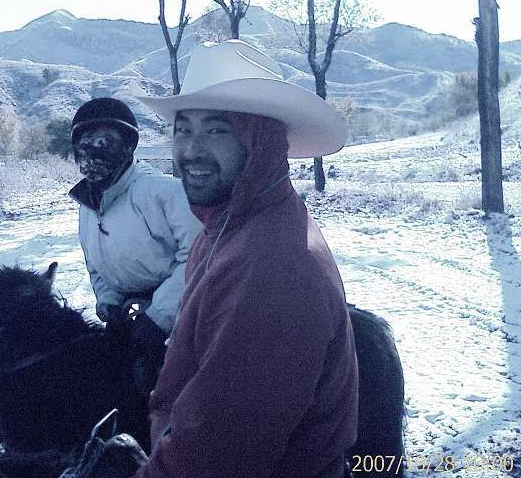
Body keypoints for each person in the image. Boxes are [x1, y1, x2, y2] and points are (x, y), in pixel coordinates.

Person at [123, 40, 360, 477]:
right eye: (183, 129)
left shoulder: (272, 268)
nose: (191, 150)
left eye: (216, 129)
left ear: (261, 142)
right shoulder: (228, 227)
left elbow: (215, 456)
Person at [69, 97, 202, 396]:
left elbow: (198, 255)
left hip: (177, 322)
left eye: (105, 140)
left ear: (128, 144)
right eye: (86, 140)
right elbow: (95, 261)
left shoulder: (163, 192)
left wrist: (159, 316)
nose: (93, 148)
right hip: (128, 319)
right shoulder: (88, 203)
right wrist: (108, 299)